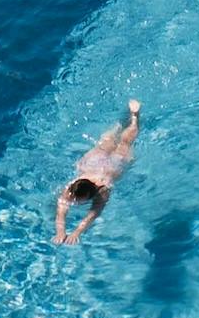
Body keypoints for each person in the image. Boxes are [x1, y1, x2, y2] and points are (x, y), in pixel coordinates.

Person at [54, 101, 140, 245]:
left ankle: (133, 117)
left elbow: (93, 214)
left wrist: (76, 232)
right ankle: (131, 116)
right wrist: (61, 232)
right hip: (97, 163)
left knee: (122, 142)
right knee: (118, 141)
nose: (74, 200)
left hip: (109, 165)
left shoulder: (102, 191)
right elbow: (62, 212)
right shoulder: (73, 190)